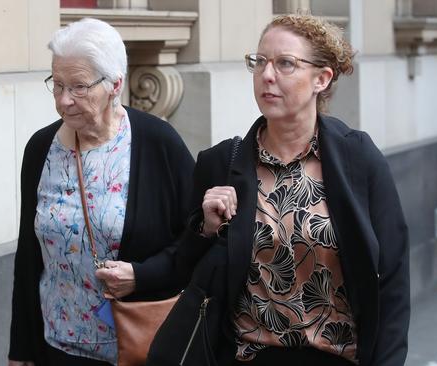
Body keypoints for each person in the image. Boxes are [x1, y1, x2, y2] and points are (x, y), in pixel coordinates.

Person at [154, 14, 410, 366]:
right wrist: (206, 229)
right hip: (249, 357)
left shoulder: (357, 159)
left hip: (336, 357)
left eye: (285, 63)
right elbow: (186, 271)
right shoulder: (221, 164)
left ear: (321, 78)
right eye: (259, 62)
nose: (267, 75)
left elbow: (392, 280)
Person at [8, 18, 194, 366]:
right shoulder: (41, 149)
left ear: (115, 85)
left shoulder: (158, 144)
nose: (64, 100)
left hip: (139, 347)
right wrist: (20, 350)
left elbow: (197, 239)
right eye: (57, 84)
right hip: (58, 348)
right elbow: (30, 256)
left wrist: (142, 275)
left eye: (79, 87)